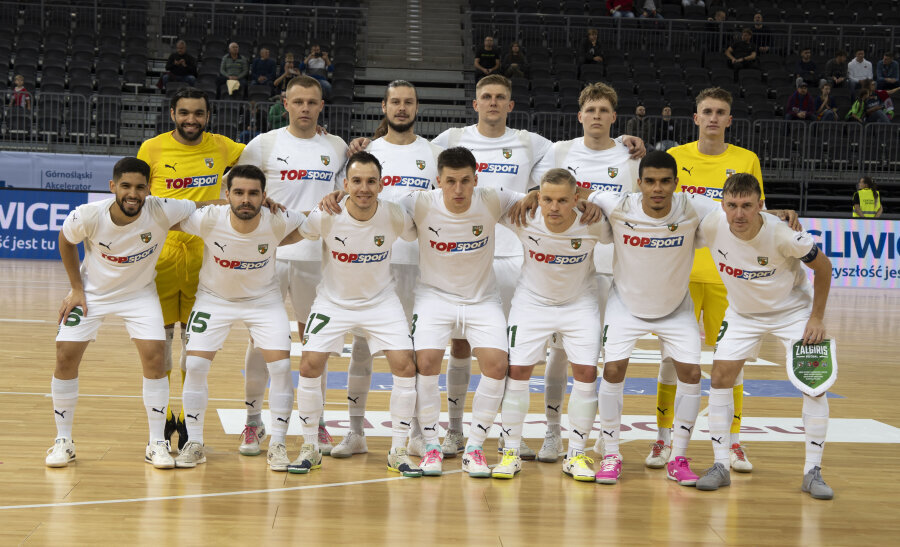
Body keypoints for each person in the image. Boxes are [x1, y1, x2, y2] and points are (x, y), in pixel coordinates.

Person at [47, 157, 198, 469]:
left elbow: (206, 204)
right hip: (93, 294)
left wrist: (244, 198)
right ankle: (63, 440)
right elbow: (65, 240)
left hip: (139, 295)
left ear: (148, 189)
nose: (133, 193)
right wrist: (76, 287)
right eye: (126, 186)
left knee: (156, 356)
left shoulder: (161, 209)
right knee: (64, 354)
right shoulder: (89, 215)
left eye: (140, 187)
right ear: (112, 186)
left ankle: (156, 442)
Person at [319, 80, 443, 459]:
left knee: (417, 353)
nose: (401, 108)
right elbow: (339, 191)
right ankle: (355, 431)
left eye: (408, 102)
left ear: (417, 107)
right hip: (370, 264)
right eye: (395, 102)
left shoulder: (434, 152)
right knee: (361, 347)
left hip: (422, 264)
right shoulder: (364, 151)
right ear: (384, 107)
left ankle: (419, 433)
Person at [693, 173, 834, 500]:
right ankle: (719, 466)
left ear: (760, 205)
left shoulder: (784, 235)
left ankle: (813, 471)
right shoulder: (712, 223)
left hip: (793, 311)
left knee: (814, 381)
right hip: (742, 313)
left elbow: (824, 267)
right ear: (723, 205)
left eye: (746, 206)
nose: (738, 214)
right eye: (732, 205)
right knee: (719, 378)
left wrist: (816, 317)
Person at [589, 151, 721, 486]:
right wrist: (586, 203)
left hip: (676, 308)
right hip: (626, 305)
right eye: (650, 181)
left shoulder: (694, 207)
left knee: (691, 373)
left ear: (677, 184)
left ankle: (678, 457)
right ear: (639, 183)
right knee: (614, 369)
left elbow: (738, 212)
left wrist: (778, 214)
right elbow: (591, 196)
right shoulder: (619, 205)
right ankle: (611, 454)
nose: (657, 188)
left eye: (665, 181)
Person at [287, 152, 421, 477]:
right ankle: (309, 447)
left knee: (404, 367)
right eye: (357, 181)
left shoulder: (394, 215)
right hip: (334, 302)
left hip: (381, 302)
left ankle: (399, 450)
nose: (364, 188)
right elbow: (294, 232)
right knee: (309, 364)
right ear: (345, 184)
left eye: (371, 181)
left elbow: (423, 228)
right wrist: (254, 242)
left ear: (381, 184)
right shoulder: (326, 214)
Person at [528, 82, 640, 463]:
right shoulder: (560, 151)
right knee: (559, 356)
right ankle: (552, 434)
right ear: (580, 115)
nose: (596, 116)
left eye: (603, 110)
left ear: (613, 116)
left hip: (620, 268)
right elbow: (536, 191)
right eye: (590, 110)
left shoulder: (630, 157)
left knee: (612, 359)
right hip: (573, 269)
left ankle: (605, 438)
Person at [236, 76, 347, 457]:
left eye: (312, 102)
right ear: (285, 102)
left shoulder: (337, 147)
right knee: (260, 339)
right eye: (298, 101)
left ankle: (314, 424)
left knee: (315, 342)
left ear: (321, 106)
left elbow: (349, 189)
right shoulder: (263, 144)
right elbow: (234, 188)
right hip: (267, 256)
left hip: (317, 256)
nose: (304, 108)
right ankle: (252, 423)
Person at [399, 147, 524, 477]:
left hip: (482, 300)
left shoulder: (494, 198)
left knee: (497, 366)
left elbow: (540, 200)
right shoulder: (419, 202)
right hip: (434, 298)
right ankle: (430, 445)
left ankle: (474, 447)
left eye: (465, 181)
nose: (458, 190)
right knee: (424, 362)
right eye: (450, 181)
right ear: (438, 180)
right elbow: (371, 209)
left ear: (476, 180)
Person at [172, 165, 303, 471]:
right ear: (227, 195)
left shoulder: (277, 219)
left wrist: (278, 240)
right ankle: (194, 442)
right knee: (195, 364)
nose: (246, 199)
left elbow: (310, 224)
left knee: (282, 366)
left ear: (264, 196)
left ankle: (279, 444)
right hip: (214, 299)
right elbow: (164, 215)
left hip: (263, 301)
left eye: (253, 193)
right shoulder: (208, 219)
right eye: (239, 193)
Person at [136, 87, 245, 451]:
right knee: (162, 344)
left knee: (194, 346)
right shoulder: (151, 149)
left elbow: (271, 158)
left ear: (208, 116)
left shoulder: (223, 147)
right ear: (172, 114)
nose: (191, 120)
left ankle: (188, 419)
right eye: (184, 113)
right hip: (161, 258)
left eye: (198, 113)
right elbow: (138, 199)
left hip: (206, 258)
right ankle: (163, 417)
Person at [664, 87, 764, 473]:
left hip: (728, 277)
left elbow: (756, 213)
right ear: (695, 118)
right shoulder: (675, 157)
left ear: (729, 120)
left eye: (720, 112)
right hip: (680, 275)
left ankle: (734, 443)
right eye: (706, 111)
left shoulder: (746, 159)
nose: (713, 118)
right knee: (672, 362)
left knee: (732, 365)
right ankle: (664, 438)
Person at [495, 168, 611, 481]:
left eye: (562, 200)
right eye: (547, 199)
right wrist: (528, 196)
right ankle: (510, 451)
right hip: (531, 303)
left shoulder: (594, 223)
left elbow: (627, 211)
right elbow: (487, 198)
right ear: (537, 197)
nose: (554, 207)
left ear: (577, 198)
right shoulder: (523, 215)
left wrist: (593, 199)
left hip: (579, 304)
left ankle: (576, 454)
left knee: (586, 372)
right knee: (517, 371)